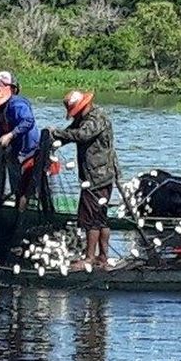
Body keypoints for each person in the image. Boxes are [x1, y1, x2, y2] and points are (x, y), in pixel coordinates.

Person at [48, 90, 117, 269]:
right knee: (100, 217)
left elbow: (82, 135)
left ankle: (90, 258)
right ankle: (101, 257)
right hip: (97, 175)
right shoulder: (84, 119)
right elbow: (71, 131)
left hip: (98, 176)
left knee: (92, 218)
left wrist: (56, 133)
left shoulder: (96, 118)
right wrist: (56, 138)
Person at [0, 74, 40, 206]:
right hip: (14, 150)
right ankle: (17, 200)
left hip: (29, 149)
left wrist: (11, 134)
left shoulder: (17, 104)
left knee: (28, 185)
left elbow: (28, 120)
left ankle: (29, 207)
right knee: (15, 182)